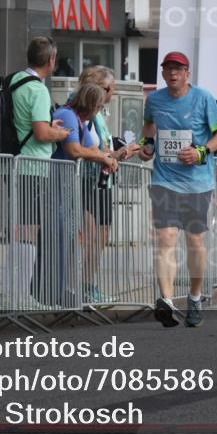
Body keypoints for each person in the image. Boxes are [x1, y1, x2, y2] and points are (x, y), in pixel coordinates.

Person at [138, 51, 217, 328]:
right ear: (163, 74)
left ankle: (194, 296)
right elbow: (148, 126)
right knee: (165, 238)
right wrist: (147, 145)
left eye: (178, 69)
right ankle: (166, 301)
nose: (173, 73)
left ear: (187, 73)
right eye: (168, 69)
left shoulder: (203, 98)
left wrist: (202, 151)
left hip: (197, 183)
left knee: (195, 243)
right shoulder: (154, 99)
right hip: (164, 179)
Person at [5, 37, 71, 310]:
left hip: (16, 161)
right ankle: (21, 295)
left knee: (22, 228)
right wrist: (60, 133)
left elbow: (28, 124)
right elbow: (42, 134)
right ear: (51, 60)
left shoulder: (14, 81)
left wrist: (46, 126)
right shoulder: (39, 90)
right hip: (34, 166)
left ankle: (14, 291)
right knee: (30, 231)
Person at [73, 66, 141, 303]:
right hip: (85, 181)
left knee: (101, 237)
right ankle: (79, 287)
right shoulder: (81, 111)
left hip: (103, 181)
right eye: (109, 88)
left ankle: (89, 285)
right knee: (89, 236)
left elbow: (102, 150)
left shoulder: (100, 114)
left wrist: (118, 153)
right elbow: (82, 148)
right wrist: (108, 155)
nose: (112, 93)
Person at [53, 82, 120, 304]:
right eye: (98, 106)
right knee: (66, 237)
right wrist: (102, 157)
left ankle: (74, 287)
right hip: (60, 182)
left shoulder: (80, 121)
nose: (99, 111)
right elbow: (73, 150)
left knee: (87, 235)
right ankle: (61, 288)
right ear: (91, 105)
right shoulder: (69, 115)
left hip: (73, 185)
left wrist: (109, 156)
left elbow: (90, 148)